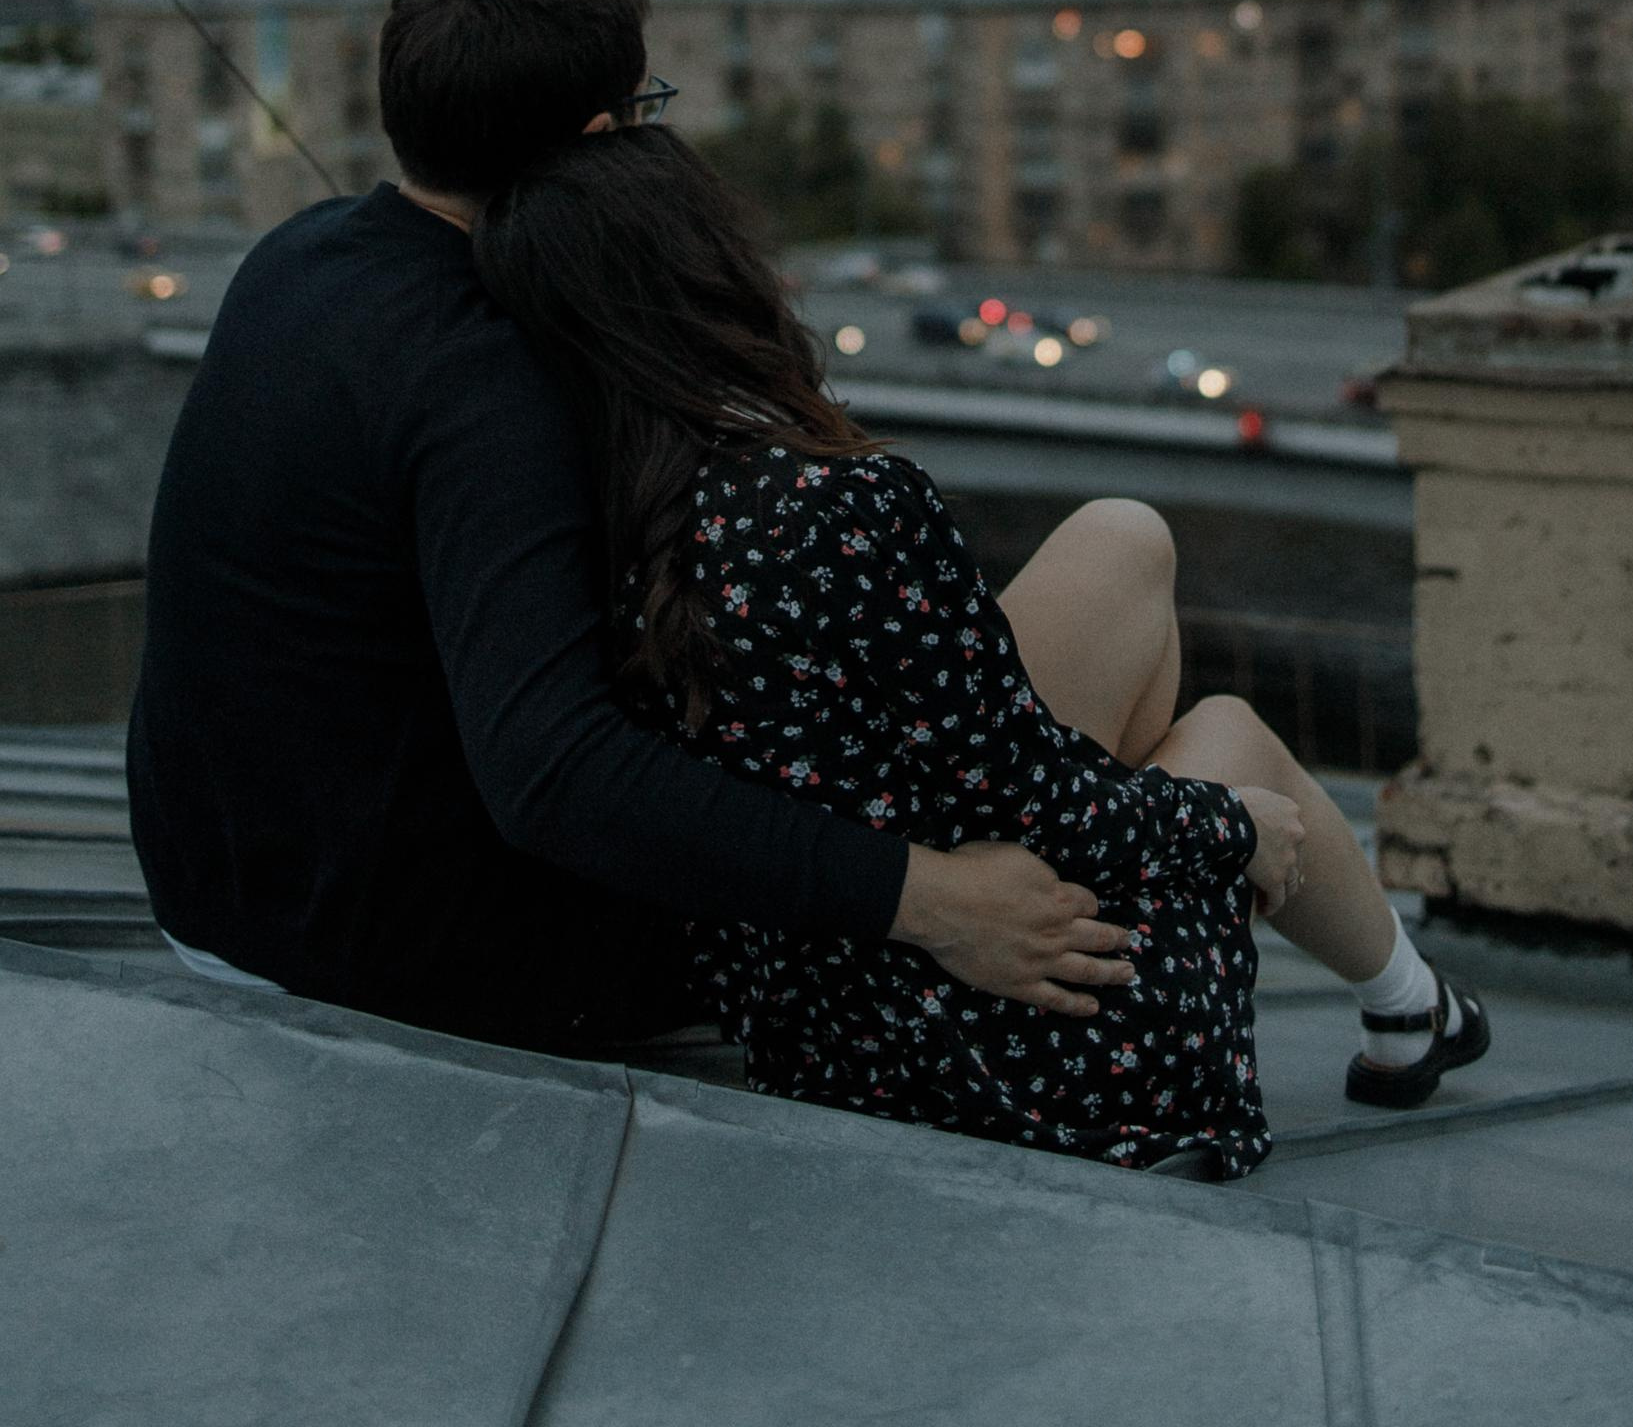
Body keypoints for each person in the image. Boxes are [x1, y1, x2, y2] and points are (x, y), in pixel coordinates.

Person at [128, 0, 1134, 1054]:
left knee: (1123, 637)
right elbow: (552, 772)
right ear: (603, 142)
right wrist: (930, 899)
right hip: (395, 971)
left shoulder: (297, 258)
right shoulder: (487, 375)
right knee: (1125, 636)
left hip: (221, 907)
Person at [473, 118, 1492, 1165]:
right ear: (714, 271)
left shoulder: (565, 524)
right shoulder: (843, 506)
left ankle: (1397, 999)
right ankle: (1408, 1003)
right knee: (1227, 737)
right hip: (1024, 1045)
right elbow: (1043, 798)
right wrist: (1227, 828)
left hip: (818, 1037)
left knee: (1121, 537)